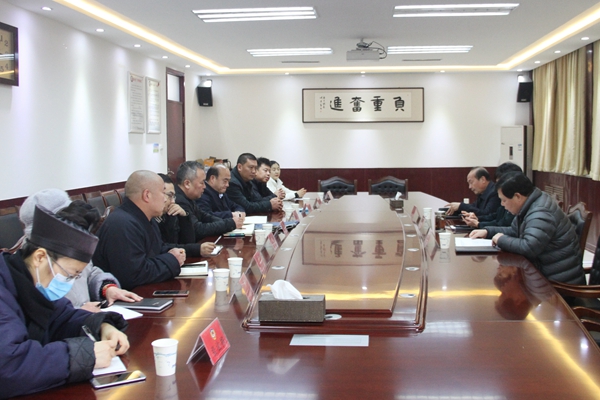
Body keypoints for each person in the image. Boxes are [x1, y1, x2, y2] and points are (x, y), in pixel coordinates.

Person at [0, 204, 129, 398]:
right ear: (40, 257)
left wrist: (102, 327)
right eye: (69, 275)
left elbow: (62, 318)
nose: (69, 283)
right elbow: (8, 367)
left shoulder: (31, 283)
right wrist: (86, 356)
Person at [19, 189, 141, 311]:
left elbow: (89, 271)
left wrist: (107, 288)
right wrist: (78, 311)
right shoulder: (29, 265)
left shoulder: (71, 244)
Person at [470, 172, 584, 284]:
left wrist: (501, 240)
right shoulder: (530, 205)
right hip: (543, 274)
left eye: (504, 200)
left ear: (517, 196)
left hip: (557, 283)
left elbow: (529, 247)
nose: (502, 204)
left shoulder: (540, 212)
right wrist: (488, 231)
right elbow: (514, 231)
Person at [92, 171, 186, 290]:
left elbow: (157, 249)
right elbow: (133, 275)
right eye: (163, 193)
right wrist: (172, 260)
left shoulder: (146, 218)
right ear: (147, 195)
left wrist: (176, 252)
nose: (167, 200)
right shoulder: (122, 224)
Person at [174, 161, 242, 240]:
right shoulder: (179, 201)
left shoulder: (189, 197)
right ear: (187, 184)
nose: (205, 186)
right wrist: (229, 224)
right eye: (202, 183)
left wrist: (230, 222)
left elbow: (205, 216)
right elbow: (198, 229)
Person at [156, 173, 216, 256]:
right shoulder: (150, 219)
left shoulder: (170, 212)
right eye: (169, 195)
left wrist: (184, 217)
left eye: (173, 196)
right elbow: (162, 248)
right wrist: (197, 249)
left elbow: (189, 241)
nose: (173, 201)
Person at [461, 162, 523, 229]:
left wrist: (479, 224)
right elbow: (496, 216)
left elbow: (504, 225)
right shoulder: (484, 193)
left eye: (500, 183)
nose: (497, 186)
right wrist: (477, 218)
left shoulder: (496, 193)